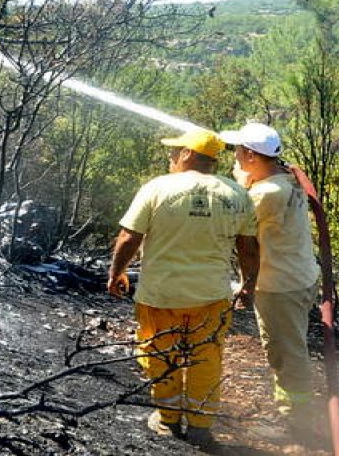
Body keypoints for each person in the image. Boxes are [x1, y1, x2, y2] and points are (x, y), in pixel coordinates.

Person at [107, 127, 258, 448]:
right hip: (211, 296)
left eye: (175, 151)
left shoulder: (157, 188)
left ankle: (168, 419)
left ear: (188, 154)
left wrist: (116, 273)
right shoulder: (236, 194)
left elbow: (128, 237)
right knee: (207, 357)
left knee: (160, 353)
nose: (171, 156)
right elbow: (248, 248)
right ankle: (201, 426)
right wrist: (248, 284)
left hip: (160, 295)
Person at [219, 121, 321, 433]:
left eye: (237, 152)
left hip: (280, 286)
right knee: (287, 348)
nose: (233, 156)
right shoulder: (286, 179)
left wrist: (239, 183)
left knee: (286, 352)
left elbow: (234, 220)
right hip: (299, 276)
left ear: (251, 156)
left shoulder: (264, 195)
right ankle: (290, 409)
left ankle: (296, 420)